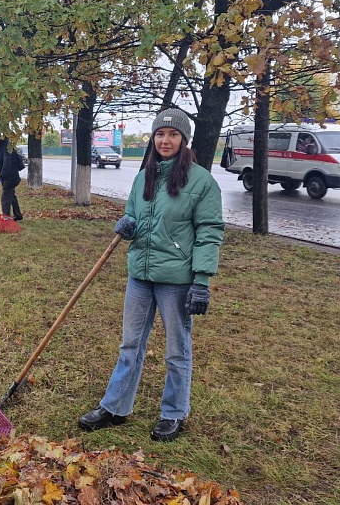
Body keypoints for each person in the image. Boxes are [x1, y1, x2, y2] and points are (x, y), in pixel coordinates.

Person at [78, 108, 224, 442]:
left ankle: (174, 412)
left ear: (184, 140)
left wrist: (201, 281)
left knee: (177, 349)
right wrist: (127, 225)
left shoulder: (201, 181)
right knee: (130, 344)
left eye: (173, 134)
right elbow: (134, 213)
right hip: (140, 275)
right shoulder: (143, 175)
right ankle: (115, 407)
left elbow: (210, 232)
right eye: (160, 134)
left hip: (177, 279)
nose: (165, 140)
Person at [0, 129, 23, 221]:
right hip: (5, 176)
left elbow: (7, 165)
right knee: (11, 195)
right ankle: (18, 215)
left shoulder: (7, 148)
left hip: (11, 176)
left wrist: (0, 177)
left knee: (5, 198)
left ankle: (6, 218)